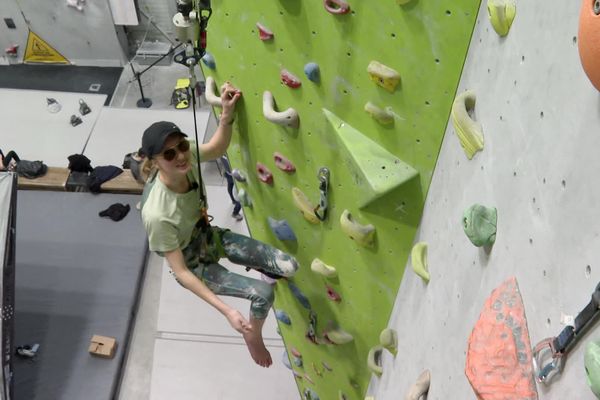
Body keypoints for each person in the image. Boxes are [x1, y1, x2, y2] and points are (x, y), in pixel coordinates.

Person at [139, 82, 299, 368]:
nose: (180, 156)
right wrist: (227, 311)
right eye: (169, 154)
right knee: (264, 294)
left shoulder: (187, 158)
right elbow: (183, 273)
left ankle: (266, 270)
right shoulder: (157, 214)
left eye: (182, 146)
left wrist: (226, 114)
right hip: (192, 261)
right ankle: (254, 337)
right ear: (154, 162)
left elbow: (216, 147)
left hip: (207, 235)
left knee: (289, 266)